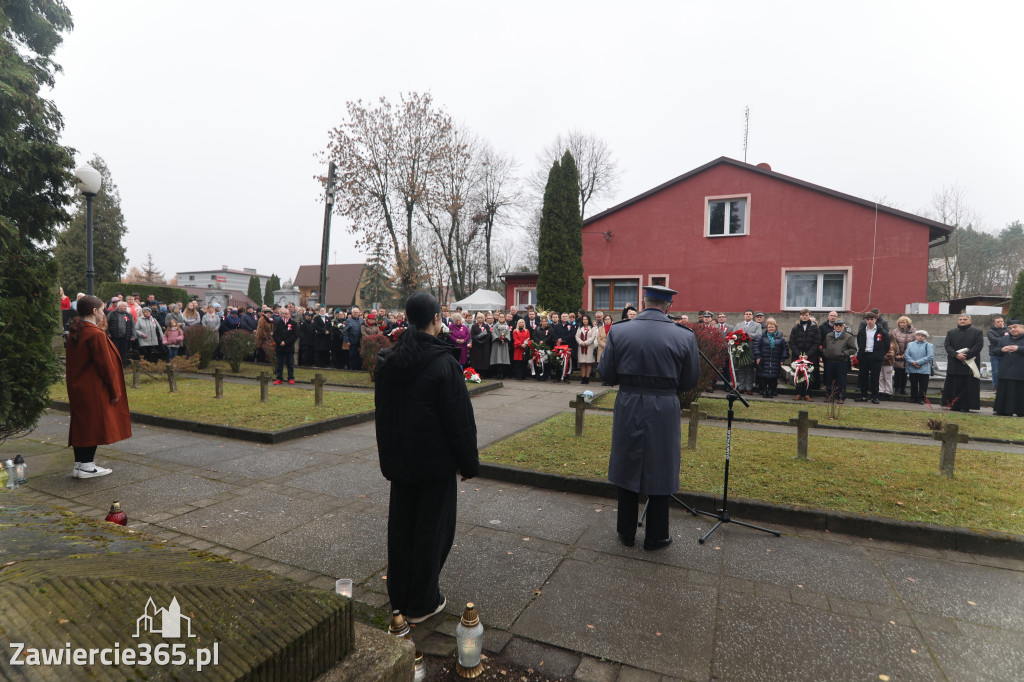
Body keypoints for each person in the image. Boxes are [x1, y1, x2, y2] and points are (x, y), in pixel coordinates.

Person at [374, 292, 479, 624]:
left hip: (403, 462)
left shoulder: (389, 360)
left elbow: (383, 416)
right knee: (432, 533)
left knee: (402, 530)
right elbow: (459, 421)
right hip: (434, 465)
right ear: (436, 319)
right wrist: (468, 463)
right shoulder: (443, 363)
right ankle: (421, 602)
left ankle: (400, 600)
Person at [598, 285, 698, 550]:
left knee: (628, 460)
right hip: (664, 405)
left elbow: (606, 374)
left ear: (643, 302)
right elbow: (690, 380)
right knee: (661, 464)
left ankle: (626, 532)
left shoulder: (619, 330)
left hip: (629, 402)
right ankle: (656, 535)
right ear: (669, 306)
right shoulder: (684, 335)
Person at [64, 295, 129, 478]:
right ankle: (86, 465)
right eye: (102, 309)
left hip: (78, 386)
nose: (104, 313)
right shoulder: (95, 334)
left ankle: (80, 464)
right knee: (92, 425)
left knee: (82, 424)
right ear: (94, 311)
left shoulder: (75, 332)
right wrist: (115, 391)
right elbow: (106, 366)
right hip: (93, 387)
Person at [942, 314, 984, 412]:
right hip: (955, 362)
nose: (962, 321)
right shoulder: (951, 332)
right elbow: (947, 345)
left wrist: (966, 356)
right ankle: (952, 404)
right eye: (960, 319)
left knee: (967, 385)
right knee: (954, 384)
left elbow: (978, 346)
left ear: (970, 321)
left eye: (965, 319)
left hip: (970, 362)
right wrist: (956, 355)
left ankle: (965, 406)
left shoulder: (977, 332)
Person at [992, 319, 1024, 416]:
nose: (1012, 330)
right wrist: (1002, 349)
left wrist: (1018, 348)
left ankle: (1020, 411)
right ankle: (1003, 410)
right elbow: (995, 351)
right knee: (1004, 392)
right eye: (1010, 328)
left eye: (1015, 327)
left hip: (1020, 371)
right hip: (1006, 370)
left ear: (1022, 327)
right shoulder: (1005, 339)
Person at [855, 313, 889, 404]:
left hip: (876, 357)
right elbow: (859, 342)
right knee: (863, 377)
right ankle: (863, 395)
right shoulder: (862, 331)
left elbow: (887, 345)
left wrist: (881, 354)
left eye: (871, 319)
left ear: (875, 320)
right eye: (868, 319)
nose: (869, 321)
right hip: (864, 356)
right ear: (865, 320)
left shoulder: (881, 331)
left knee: (875, 378)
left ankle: (875, 397)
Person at [822, 319, 857, 402]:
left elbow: (853, 349)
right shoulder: (828, 335)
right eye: (836, 325)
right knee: (829, 380)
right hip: (830, 361)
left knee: (841, 380)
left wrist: (843, 353)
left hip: (842, 362)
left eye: (840, 325)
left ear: (843, 327)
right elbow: (824, 346)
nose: (838, 327)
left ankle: (841, 397)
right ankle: (829, 396)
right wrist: (825, 353)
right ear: (834, 326)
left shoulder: (848, 336)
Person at [754, 318, 789, 398]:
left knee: (773, 377)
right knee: (763, 377)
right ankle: (764, 391)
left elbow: (785, 349)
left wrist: (782, 359)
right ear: (767, 328)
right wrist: (758, 356)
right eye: (769, 327)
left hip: (775, 360)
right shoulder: (762, 336)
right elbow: (756, 346)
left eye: (772, 327)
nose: (771, 328)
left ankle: (771, 390)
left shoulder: (781, 338)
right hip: (764, 360)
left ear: (776, 328)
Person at [788, 309, 820, 396]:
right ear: (800, 316)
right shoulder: (795, 328)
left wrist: (808, 355)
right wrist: (798, 353)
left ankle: (807, 394)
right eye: (802, 315)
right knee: (798, 374)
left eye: (806, 315)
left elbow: (816, 342)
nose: (804, 317)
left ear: (809, 316)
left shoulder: (815, 328)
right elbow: (791, 342)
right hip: (797, 356)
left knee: (808, 375)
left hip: (810, 357)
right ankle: (798, 393)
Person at [905, 330, 934, 404]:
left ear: (925, 337)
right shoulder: (910, 344)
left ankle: (922, 398)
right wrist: (913, 362)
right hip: (912, 368)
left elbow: (930, 356)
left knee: (923, 385)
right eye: (919, 335)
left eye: (922, 336)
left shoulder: (929, 345)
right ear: (916, 336)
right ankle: (913, 397)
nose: (920, 337)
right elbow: (906, 355)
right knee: (913, 384)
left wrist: (918, 362)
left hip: (924, 368)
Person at [890, 316, 917, 396]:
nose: (902, 324)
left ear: (907, 323)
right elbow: (894, 342)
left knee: (905, 373)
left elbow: (914, 343)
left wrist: (906, 354)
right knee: (898, 372)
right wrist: (897, 354)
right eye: (900, 323)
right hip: (898, 355)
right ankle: (897, 388)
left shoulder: (914, 331)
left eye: (904, 322)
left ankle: (903, 388)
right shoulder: (895, 331)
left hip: (908, 356)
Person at [273, 308, 298, 384]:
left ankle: (290, 378)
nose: (284, 315)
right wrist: (280, 342)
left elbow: (295, 335)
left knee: (290, 363)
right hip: (279, 347)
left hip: (289, 347)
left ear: (289, 315)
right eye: (283, 313)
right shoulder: (278, 323)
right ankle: (279, 378)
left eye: (286, 313)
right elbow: (275, 334)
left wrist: (286, 342)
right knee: (279, 364)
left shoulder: (293, 323)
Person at [105, 300, 134, 367]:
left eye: (126, 306)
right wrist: (107, 333)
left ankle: (123, 365)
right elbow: (106, 324)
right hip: (114, 337)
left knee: (124, 351)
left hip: (125, 337)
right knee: (115, 351)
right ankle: (114, 365)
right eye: (124, 306)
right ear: (119, 306)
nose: (125, 307)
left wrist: (133, 335)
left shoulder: (128, 315)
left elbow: (132, 326)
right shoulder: (112, 314)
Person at [987, 316, 1009, 391]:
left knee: (1006, 371)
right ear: (994, 323)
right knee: (995, 371)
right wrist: (1005, 339)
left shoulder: (1008, 330)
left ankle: (1005, 387)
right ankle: (996, 387)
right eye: (998, 322)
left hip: (1006, 354)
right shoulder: (990, 332)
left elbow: (1011, 339)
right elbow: (994, 340)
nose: (1000, 323)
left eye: (1001, 321)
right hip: (995, 355)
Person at [575, 314, 598, 384]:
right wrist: (581, 342)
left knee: (588, 363)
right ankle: (583, 377)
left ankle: (587, 377)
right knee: (583, 363)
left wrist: (586, 342)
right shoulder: (580, 328)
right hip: (581, 346)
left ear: (589, 320)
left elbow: (593, 337)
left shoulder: (593, 328)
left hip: (590, 347)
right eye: (583, 319)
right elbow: (576, 336)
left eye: (586, 319)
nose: (585, 321)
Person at [490, 312, 511, 380]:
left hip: (504, 344)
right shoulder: (495, 325)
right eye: (500, 317)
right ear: (498, 318)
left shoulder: (507, 326)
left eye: (503, 317)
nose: (501, 318)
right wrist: (497, 339)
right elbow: (493, 333)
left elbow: (508, 333)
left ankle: (502, 373)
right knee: (497, 358)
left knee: (503, 358)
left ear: (504, 318)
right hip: (497, 344)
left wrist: (505, 339)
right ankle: (497, 373)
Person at [344, 306, 363, 370]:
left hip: (360, 341)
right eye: (355, 312)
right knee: (352, 355)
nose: (356, 313)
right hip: (352, 341)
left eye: (357, 312)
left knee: (359, 355)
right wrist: (347, 341)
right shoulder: (348, 321)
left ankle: (359, 367)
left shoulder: (362, 320)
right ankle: (352, 367)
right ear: (352, 313)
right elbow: (345, 332)